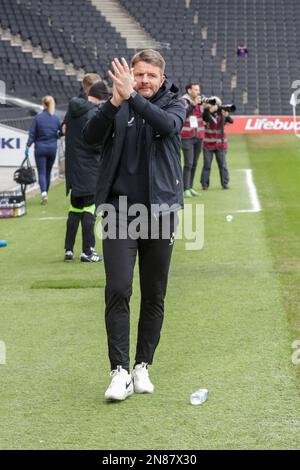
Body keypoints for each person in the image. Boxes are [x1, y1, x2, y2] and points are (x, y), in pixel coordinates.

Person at [83, 49, 186, 401]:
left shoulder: (175, 103)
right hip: (119, 212)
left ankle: (142, 365)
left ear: (161, 78)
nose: (143, 81)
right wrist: (114, 101)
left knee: (154, 292)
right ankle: (120, 372)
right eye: (138, 74)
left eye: (150, 76)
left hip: (160, 212)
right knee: (118, 287)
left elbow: (167, 126)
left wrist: (131, 98)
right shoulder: (118, 103)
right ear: (131, 74)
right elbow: (89, 137)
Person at [64, 81, 110, 262]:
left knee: (75, 209)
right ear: (101, 98)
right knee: (90, 209)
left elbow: (63, 129)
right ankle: (88, 251)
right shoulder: (93, 114)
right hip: (90, 168)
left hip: (73, 168)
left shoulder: (73, 108)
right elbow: (96, 143)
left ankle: (68, 249)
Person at [25, 96, 61, 204]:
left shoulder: (38, 118)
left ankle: (44, 193)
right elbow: (58, 134)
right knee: (48, 172)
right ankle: (46, 193)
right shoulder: (55, 119)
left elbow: (32, 134)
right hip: (52, 148)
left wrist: (27, 146)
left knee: (41, 172)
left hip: (40, 148)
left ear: (43, 104)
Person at [200, 96, 233, 190]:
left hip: (220, 144)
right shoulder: (206, 113)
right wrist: (210, 111)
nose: (216, 106)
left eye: (217, 104)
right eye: (214, 103)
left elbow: (231, 121)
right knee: (207, 165)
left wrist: (226, 115)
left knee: (222, 165)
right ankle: (204, 184)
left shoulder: (222, 113)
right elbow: (205, 118)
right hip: (208, 144)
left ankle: (225, 183)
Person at [180, 82, 204, 198]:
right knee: (188, 163)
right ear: (189, 91)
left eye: (198, 90)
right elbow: (183, 114)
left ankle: (190, 187)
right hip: (187, 137)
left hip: (198, 136)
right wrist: (193, 105)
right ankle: (185, 189)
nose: (198, 92)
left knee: (194, 163)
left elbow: (204, 118)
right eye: (195, 90)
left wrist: (209, 109)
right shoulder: (183, 101)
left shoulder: (199, 102)